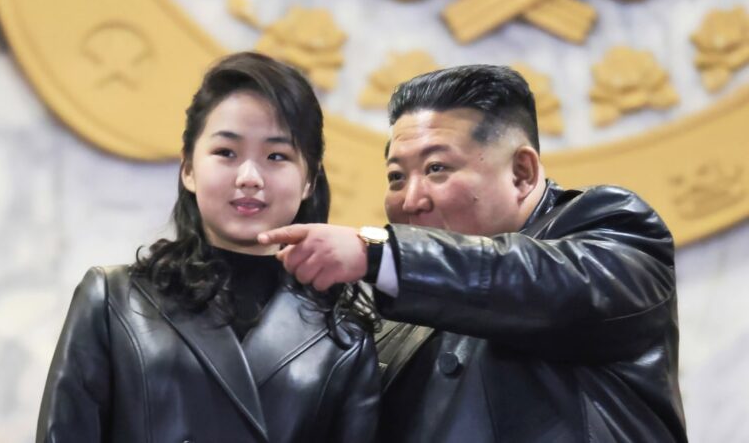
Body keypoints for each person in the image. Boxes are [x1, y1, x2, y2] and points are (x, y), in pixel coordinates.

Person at [259, 65, 687, 442]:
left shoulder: (612, 228)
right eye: (396, 177)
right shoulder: (394, 310)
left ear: (521, 173)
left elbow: (543, 283)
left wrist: (376, 253)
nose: (411, 200)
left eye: (437, 169)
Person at [36, 52, 380, 443]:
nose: (249, 177)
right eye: (226, 153)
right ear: (188, 169)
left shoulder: (344, 336)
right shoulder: (113, 300)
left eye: (276, 156)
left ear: (309, 181)